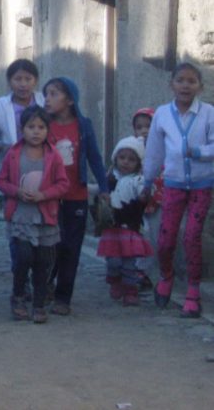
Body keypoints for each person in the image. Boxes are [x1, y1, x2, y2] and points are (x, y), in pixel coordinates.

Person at [143, 63, 214, 318]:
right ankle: (166, 275)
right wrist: (147, 181)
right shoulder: (162, 114)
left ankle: (193, 291)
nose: (186, 85)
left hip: (201, 185)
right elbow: (154, 150)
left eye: (192, 81)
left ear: (200, 87)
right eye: (181, 80)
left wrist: (199, 153)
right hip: (172, 184)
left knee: (192, 236)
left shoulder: (208, 113)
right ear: (171, 84)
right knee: (165, 239)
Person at [42, 77, 109, 316]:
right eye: (46, 94)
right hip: (48, 196)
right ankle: (44, 284)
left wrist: (103, 187)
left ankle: (63, 297)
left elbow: (94, 157)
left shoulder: (83, 125)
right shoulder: (41, 124)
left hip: (75, 195)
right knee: (50, 245)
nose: (47, 99)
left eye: (54, 94)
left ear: (70, 100)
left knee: (71, 247)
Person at [0, 105, 69, 323]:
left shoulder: (54, 156)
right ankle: (18, 296)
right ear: (22, 129)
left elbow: (63, 184)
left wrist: (44, 195)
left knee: (43, 262)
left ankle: (38, 304)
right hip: (21, 216)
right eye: (31, 127)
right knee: (24, 257)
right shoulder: (13, 154)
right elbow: (1, 181)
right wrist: (17, 192)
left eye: (41, 127)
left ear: (48, 130)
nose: (36, 132)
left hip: (45, 217)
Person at [0, 58, 43, 296]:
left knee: (43, 227)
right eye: (18, 79)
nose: (23, 84)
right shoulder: (1, 107)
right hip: (12, 175)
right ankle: (21, 276)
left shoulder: (44, 103)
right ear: (10, 81)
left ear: (35, 81)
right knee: (17, 229)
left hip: (41, 173)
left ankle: (41, 278)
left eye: (28, 79)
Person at [96, 136, 152, 307]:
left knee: (129, 262)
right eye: (122, 158)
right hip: (112, 228)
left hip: (130, 228)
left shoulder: (138, 180)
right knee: (113, 261)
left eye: (131, 159)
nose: (126, 162)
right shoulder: (109, 179)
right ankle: (114, 279)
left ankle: (130, 290)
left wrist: (145, 194)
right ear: (115, 158)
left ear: (138, 163)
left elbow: (145, 193)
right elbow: (99, 192)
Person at [132, 108, 160, 291]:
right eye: (139, 127)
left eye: (148, 126)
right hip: (137, 201)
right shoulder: (132, 147)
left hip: (157, 199)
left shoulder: (162, 147)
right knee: (142, 235)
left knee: (156, 236)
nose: (144, 130)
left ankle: (152, 272)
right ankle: (139, 271)